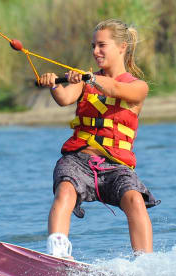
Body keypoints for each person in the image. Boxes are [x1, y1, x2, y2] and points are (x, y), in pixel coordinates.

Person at [39, 19, 160, 259]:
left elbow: (115, 89)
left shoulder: (139, 87)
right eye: (93, 46)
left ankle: (146, 264)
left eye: (102, 45)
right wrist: (53, 84)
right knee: (65, 188)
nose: (95, 52)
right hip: (78, 160)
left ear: (122, 47)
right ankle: (57, 254)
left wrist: (89, 78)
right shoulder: (84, 82)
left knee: (134, 199)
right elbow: (64, 98)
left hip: (116, 166)